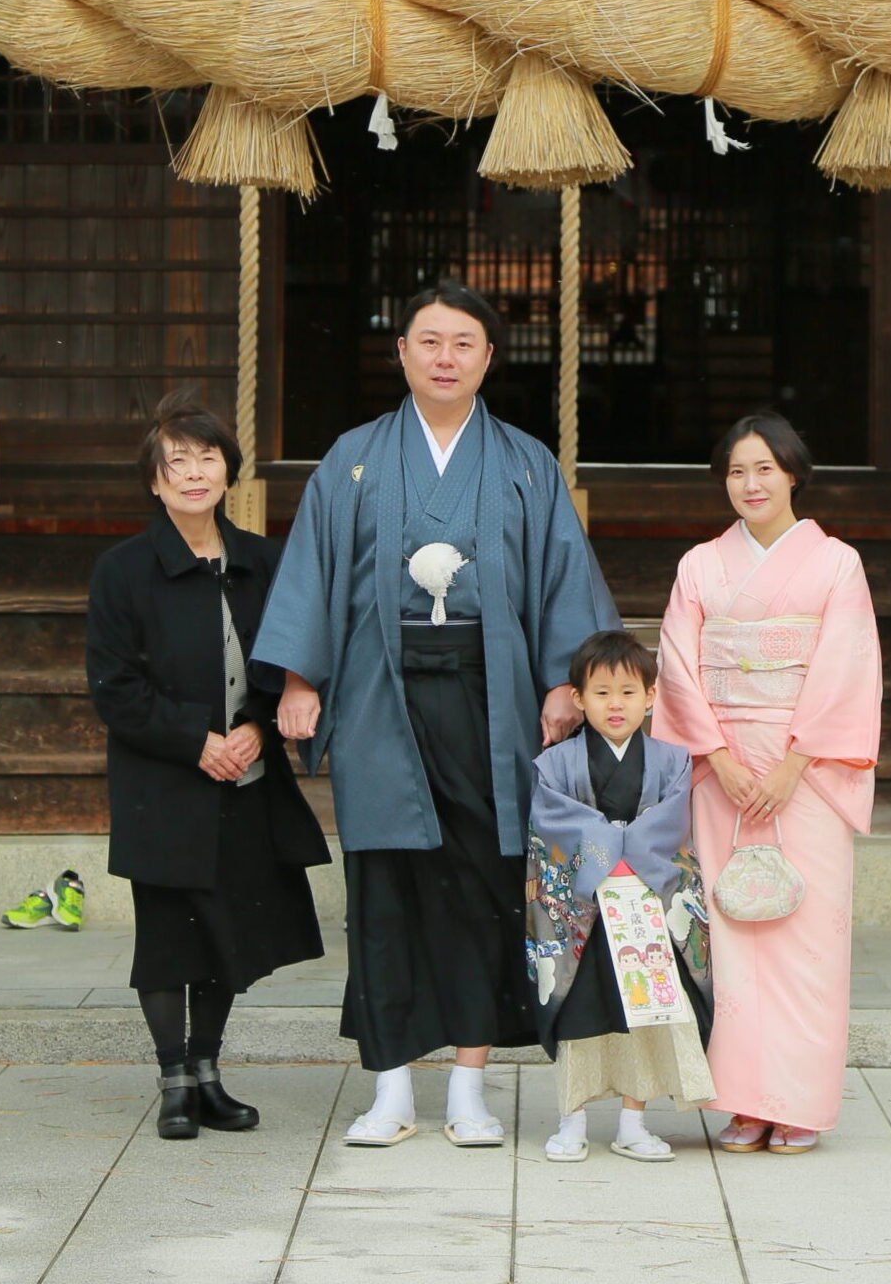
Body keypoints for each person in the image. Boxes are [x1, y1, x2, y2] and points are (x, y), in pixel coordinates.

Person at [254, 280, 619, 1148]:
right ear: (402, 353)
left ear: (488, 358)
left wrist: (562, 683)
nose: (445, 357)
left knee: (482, 884)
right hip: (377, 690)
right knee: (383, 885)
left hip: (493, 699)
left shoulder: (526, 462)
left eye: (463, 343)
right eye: (429, 341)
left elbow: (562, 577)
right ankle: (389, 1087)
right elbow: (310, 571)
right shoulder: (352, 459)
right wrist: (299, 679)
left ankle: (467, 1086)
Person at [87, 393, 330, 1140]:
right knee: (168, 936)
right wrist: (196, 742)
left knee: (227, 931)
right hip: (163, 782)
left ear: (228, 471)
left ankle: (207, 1073)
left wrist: (258, 728)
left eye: (207, 458)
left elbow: (293, 663)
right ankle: (173, 1081)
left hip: (245, 781)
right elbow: (115, 688)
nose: (194, 473)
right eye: (177, 462)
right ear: (154, 481)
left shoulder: (264, 561)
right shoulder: (123, 571)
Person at [651, 411, 881, 1155]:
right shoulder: (699, 566)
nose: (750, 484)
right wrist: (716, 757)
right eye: (736, 472)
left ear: (792, 475)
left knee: (806, 938)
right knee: (729, 939)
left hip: (806, 772)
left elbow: (845, 667)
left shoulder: (836, 564)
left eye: (764, 470)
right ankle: (744, 1102)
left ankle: (799, 1102)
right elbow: (677, 665)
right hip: (720, 771)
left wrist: (791, 765)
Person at [526, 629, 712, 1165]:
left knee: (644, 1013)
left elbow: (670, 825)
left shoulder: (673, 760)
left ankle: (634, 1122)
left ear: (651, 697)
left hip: (645, 903)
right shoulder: (554, 765)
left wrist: (622, 855)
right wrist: (614, 854)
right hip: (585, 909)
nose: (616, 704)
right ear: (578, 698)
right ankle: (571, 1121)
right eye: (601, 692)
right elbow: (555, 825)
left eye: (629, 692)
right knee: (579, 1015)